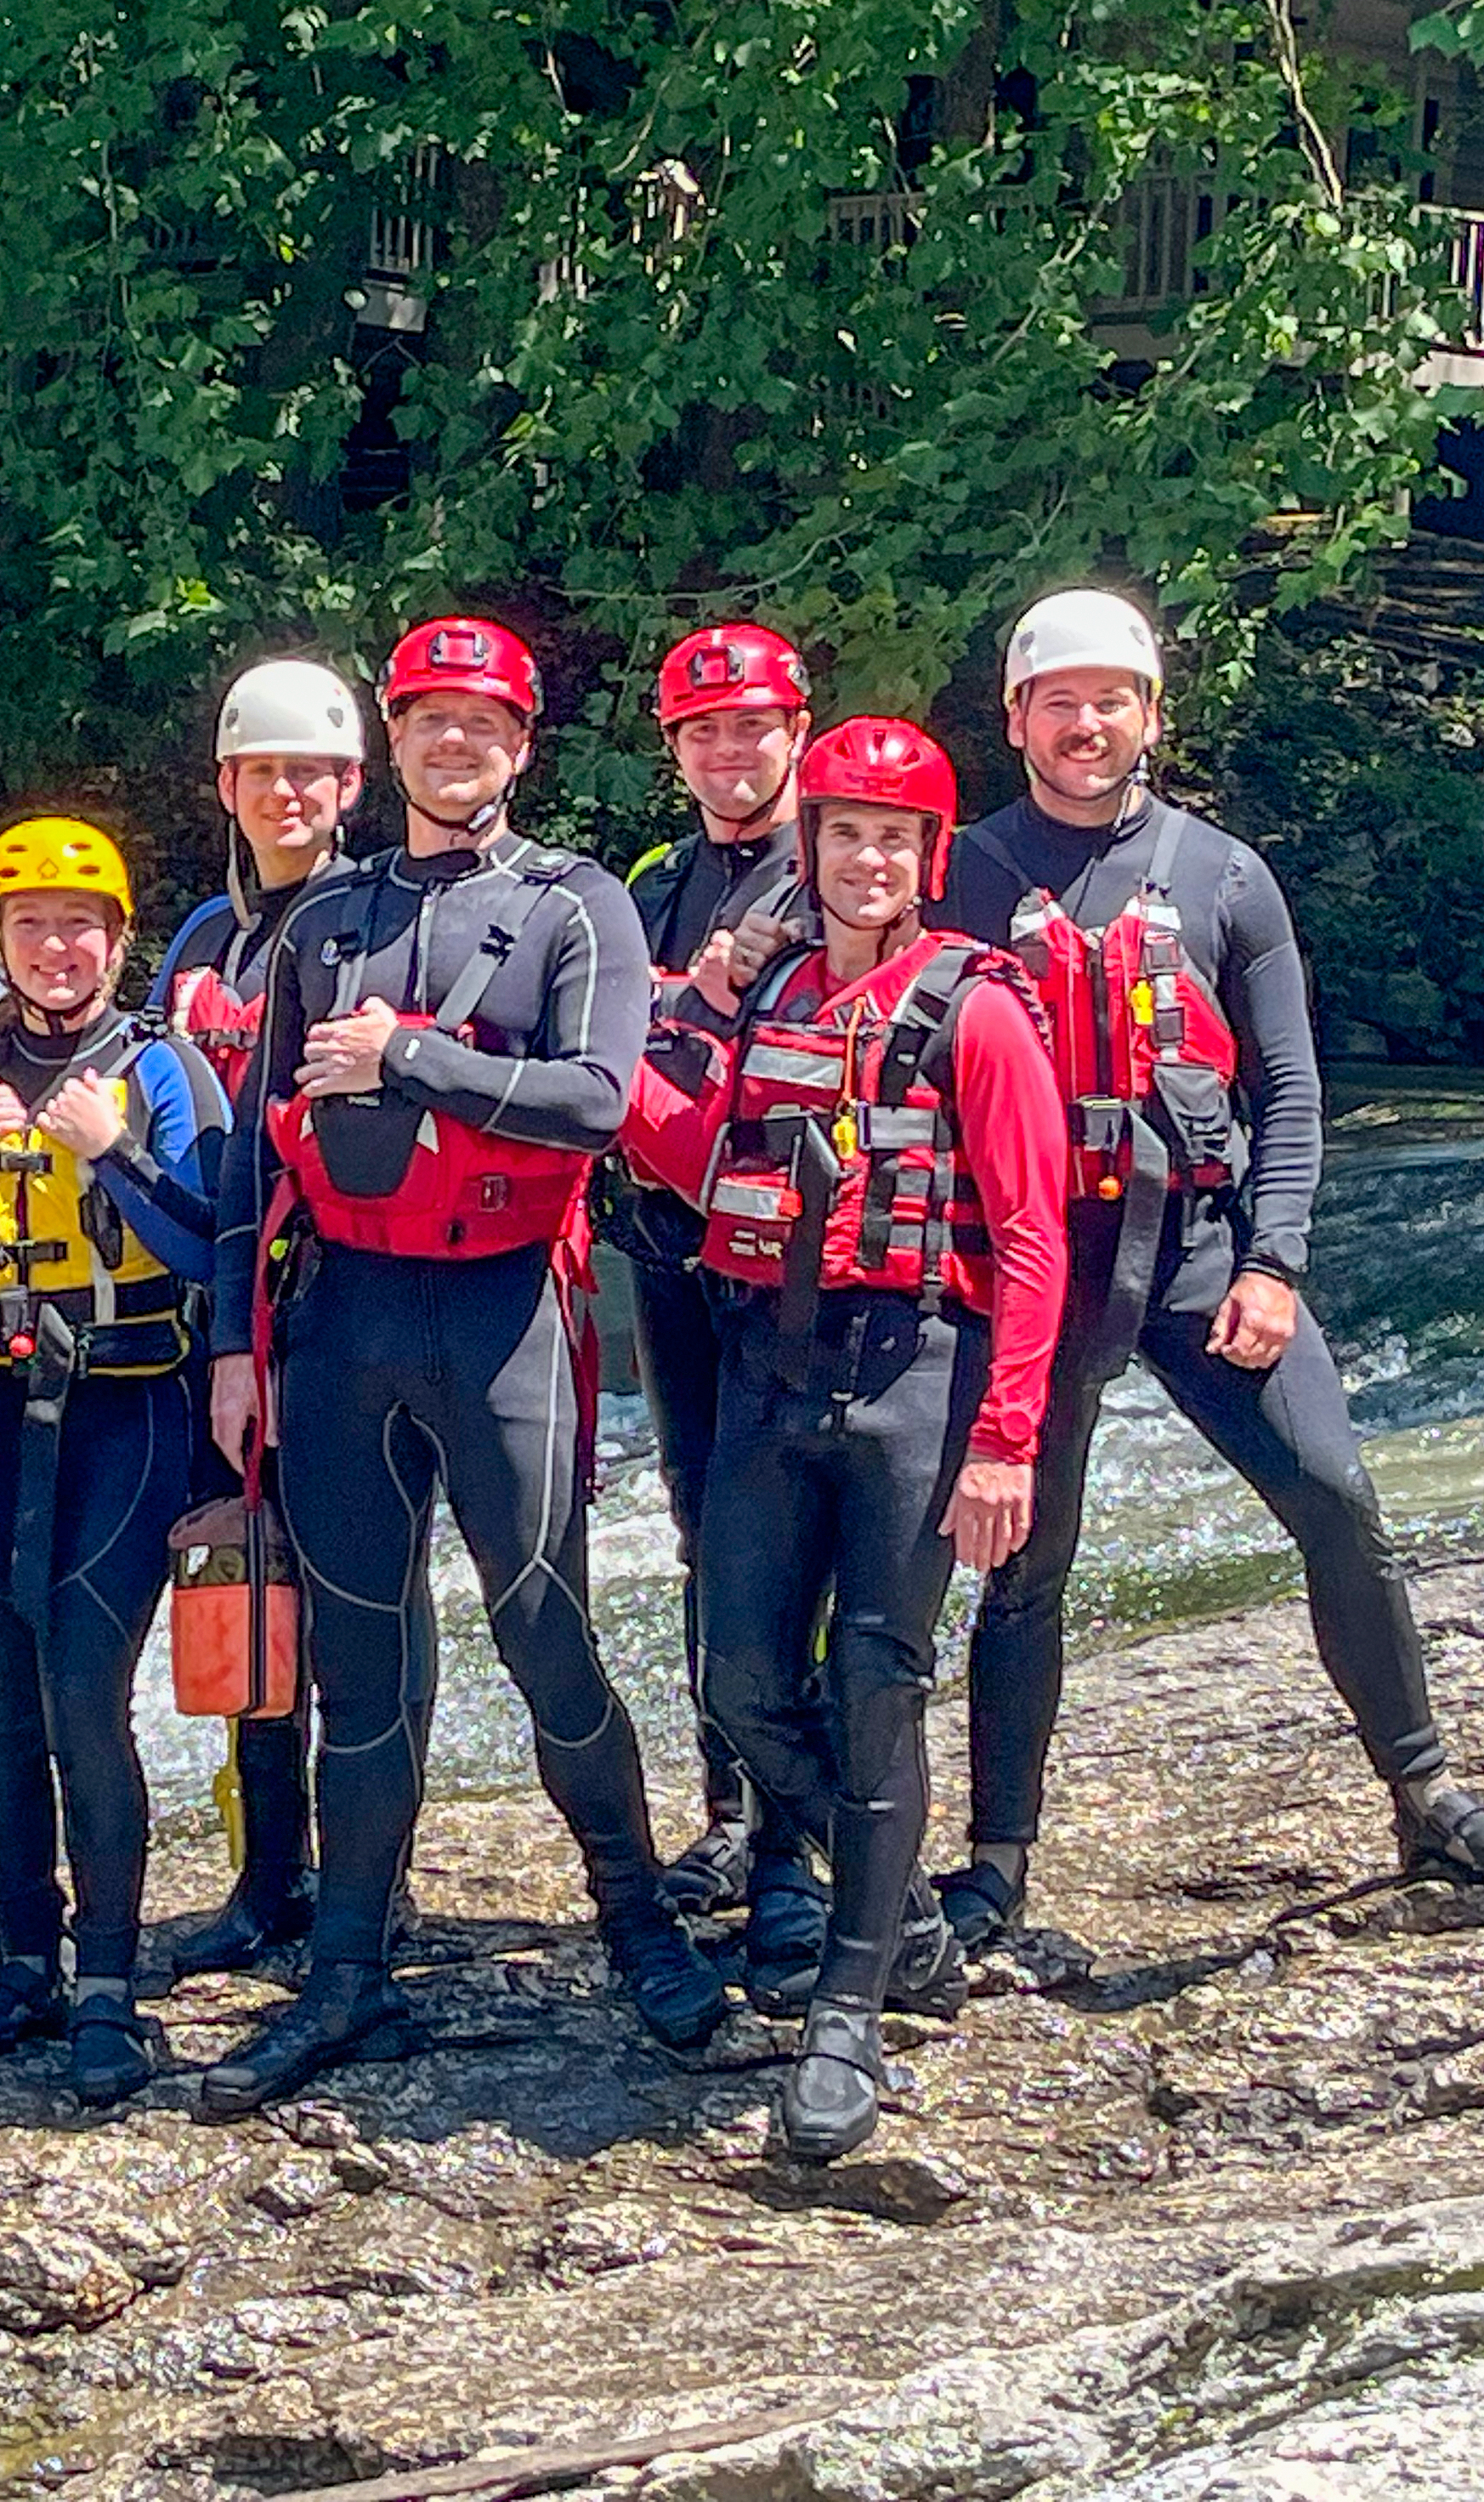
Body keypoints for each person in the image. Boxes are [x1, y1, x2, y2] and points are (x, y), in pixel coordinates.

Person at [932, 588, 1484, 1951]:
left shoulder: (1223, 878)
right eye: (1060, 702)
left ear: (1151, 714)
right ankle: (996, 1864)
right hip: (1042, 1267)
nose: (1086, 725)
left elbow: (1288, 1090)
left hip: (1202, 1249)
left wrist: (1272, 1262)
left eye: (1112, 701)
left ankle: (1427, 1793)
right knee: (1027, 1564)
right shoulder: (961, 875)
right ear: (1016, 718)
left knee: (1337, 1499)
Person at [199, 612, 731, 2113]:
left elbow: (596, 1096)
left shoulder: (577, 909)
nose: (455, 745)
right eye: (430, 721)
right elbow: (255, 1156)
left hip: (502, 1316)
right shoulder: (328, 916)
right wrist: (243, 1350)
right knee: (355, 1664)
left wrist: (413, 1058)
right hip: (345, 1323)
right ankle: (349, 1971)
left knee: (545, 1630)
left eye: (482, 726)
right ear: (399, 742)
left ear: (520, 745)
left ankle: (637, 1925)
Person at [624, 714, 1069, 2159]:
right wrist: (668, 1011)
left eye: (895, 838)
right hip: (772, 1370)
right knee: (742, 1675)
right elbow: (679, 1146)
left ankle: (851, 2014)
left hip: (913, 1382)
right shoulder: (768, 998)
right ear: (805, 851)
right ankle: (907, 1908)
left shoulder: (979, 1010)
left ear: (930, 858)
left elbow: (1032, 1239)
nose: (867, 861)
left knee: (877, 1681)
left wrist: (1005, 1440)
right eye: (844, 836)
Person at [0, 819, 223, 2105]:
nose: (56, 947)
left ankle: (112, 1983)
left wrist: (112, 1151)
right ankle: (21, 1962)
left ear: (118, 942)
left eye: (81, 926)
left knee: (82, 1699)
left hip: (121, 1424)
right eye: (29, 926)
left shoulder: (164, 1073)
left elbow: (205, 1252)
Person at [609, 623, 829, 2001]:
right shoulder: (652, 879)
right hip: (667, 1239)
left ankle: (796, 1837)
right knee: (700, 1523)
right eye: (704, 732)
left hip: (800, 1254)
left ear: (795, 728)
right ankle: (730, 1809)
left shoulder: (853, 859)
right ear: (675, 748)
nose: (730, 751)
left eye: (752, 726)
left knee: (786, 1532)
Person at [149, 659, 369, 1974]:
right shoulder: (197, 942)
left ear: (349, 786)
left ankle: (364, 1877)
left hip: (334, 1301)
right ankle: (266, 1872)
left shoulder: (371, 926)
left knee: (350, 1604)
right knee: (245, 1584)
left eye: (308, 772)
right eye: (260, 772)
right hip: (212, 1300)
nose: (284, 793)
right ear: (227, 785)